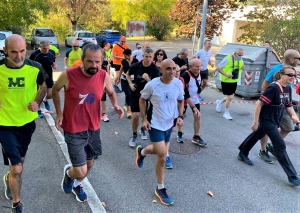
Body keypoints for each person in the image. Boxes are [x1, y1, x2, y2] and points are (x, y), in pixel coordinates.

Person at [52, 43, 124, 202]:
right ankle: (70, 174)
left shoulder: (103, 75)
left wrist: (116, 105)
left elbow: (111, 92)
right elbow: (55, 90)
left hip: (93, 128)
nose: (94, 65)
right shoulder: (68, 74)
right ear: (82, 60)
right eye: (90, 61)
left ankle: (77, 184)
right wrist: (58, 113)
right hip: (73, 129)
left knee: (90, 163)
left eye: (98, 62)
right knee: (80, 169)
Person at [0, 34, 46, 213]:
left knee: (20, 162)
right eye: (13, 52)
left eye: (22, 51)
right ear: (4, 51)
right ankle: (17, 204)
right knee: (17, 166)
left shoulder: (35, 68)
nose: (19, 56)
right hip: (4, 123)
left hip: (27, 123)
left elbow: (43, 87)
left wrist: (38, 102)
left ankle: (9, 178)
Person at [238, 66, 300, 186]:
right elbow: (258, 104)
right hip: (267, 119)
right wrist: (255, 122)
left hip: (275, 118)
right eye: (290, 75)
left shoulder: (288, 88)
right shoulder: (273, 88)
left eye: (294, 75)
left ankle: (242, 152)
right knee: (280, 145)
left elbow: (289, 107)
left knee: (257, 135)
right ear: (281, 75)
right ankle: (292, 176)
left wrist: (297, 121)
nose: (292, 77)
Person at [135, 59, 184, 206]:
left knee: (158, 150)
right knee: (162, 156)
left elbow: (181, 100)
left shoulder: (178, 83)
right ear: (161, 70)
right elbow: (142, 100)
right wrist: (144, 119)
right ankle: (160, 188)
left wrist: (180, 116)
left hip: (169, 124)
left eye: (174, 69)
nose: (171, 72)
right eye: (168, 69)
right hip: (155, 124)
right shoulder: (152, 85)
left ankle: (142, 152)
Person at [258, 49, 300, 163]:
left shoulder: (292, 71)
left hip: (285, 105)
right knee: (266, 129)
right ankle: (263, 150)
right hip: (272, 106)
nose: (299, 61)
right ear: (291, 60)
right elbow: (264, 86)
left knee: (288, 127)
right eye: (298, 59)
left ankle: (272, 146)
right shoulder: (276, 69)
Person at [126, 48, 160, 147]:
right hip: (136, 93)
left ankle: (143, 128)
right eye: (146, 57)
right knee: (136, 115)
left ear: (153, 57)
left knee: (147, 115)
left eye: (150, 57)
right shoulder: (136, 66)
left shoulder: (155, 69)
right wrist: (130, 84)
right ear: (143, 56)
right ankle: (134, 135)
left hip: (149, 95)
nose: (148, 59)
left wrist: (148, 79)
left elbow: (156, 86)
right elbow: (127, 74)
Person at [181, 58, 207, 146]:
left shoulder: (200, 73)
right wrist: (192, 105)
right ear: (191, 67)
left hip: (194, 98)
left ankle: (196, 136)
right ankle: (176, 133)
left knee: (198, 115)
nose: (198, 68)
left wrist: (199, 91)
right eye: (196, 66)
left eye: (200, 66)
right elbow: (184, 92)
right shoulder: (185, 75)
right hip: (184, 99)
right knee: (179, 117)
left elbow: (200, 84)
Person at [215, 48, 246, 120]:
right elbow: (218, 68)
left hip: (234, 80)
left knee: (230, 97)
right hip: (226, 80)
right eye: (239, 55)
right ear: (235, 53)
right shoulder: (227, 59)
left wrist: (243, 68)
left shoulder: (240, 59)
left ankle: (220, 102)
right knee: (230, 97)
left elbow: (242, 67)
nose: (241, 57)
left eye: (242, 55)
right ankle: (226, 113)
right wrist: (226, 74)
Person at [29, 40, 57, 117]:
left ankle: (45, 100)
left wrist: (54, 65)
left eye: (48, 48)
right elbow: (30, 66)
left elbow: (52, 61)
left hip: (48, 76)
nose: (46, 50)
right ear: (40, 47)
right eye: (44, 48)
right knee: (39, 95)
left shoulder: (52, 52)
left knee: (51, 94)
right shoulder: (35, 54)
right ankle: (38, 110)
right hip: (38, 77)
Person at [116, 48, 138, 118]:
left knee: (131, 94)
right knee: (128, 94)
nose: (124, 57)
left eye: (125, 56)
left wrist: (130, 63)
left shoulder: (135, 61)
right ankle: (129, 111)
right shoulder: (123, 61)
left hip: (132, 80)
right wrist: (118, 78)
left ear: (129, 55)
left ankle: (126, 104)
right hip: (124, 79)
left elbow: (134, 70)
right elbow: (121, 70)